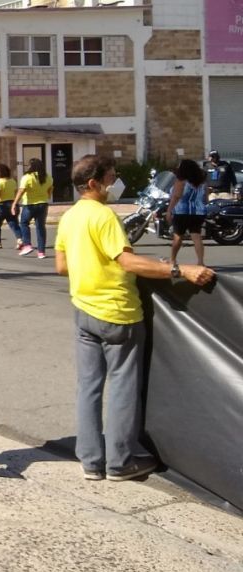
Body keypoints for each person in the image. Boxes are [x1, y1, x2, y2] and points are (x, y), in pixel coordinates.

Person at [55, 154, 215, 482]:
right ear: (93, 183)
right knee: (123, 388)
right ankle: (120, 461)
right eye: (111, 177)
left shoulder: (69, 218)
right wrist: (180, 268)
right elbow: (128, 263)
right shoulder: (104, 217)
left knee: (89, 387)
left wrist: (91, 265)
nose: (115, 183)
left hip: (84, 310)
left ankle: (90, 460)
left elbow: (61, 265)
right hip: (118, 313)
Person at [166, 159, 209, 267]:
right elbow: (206, 199)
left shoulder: (181, 181)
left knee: (178, 236)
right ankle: (200, 261)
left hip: (182, 211)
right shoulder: (202, 183)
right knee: (196, 236)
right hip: (198, 212)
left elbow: (176, 197)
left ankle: (172, 260)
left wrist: (169, 211)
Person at [13, 158, 53, 259]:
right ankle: (41, 252)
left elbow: (21, 191)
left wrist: (14, 203)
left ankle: (27, 245)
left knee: (24, 223)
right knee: (40, 227)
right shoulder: (48, 177)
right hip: (43, 204)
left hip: (29, 204)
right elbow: (49, 191)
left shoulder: (27, 177)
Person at [0, 163, 22, 249]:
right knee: (14, 223)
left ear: (0, 172)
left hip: (1, 205)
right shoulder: (12, 181)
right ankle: (19, 239)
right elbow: (15, 192)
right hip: (11, 204)